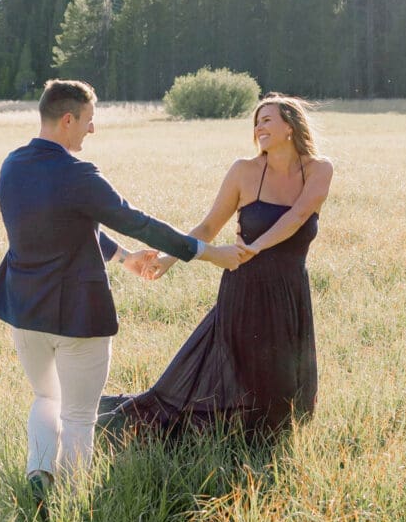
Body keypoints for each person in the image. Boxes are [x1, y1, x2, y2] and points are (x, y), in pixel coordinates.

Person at [0, 79, 244, 513]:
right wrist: (206, 251)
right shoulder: (79, 175)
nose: (92, 130)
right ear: (68, 120)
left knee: (46, 398)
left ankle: (39, 477)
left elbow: (67, 224)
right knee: (80, 416)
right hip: (78, 317)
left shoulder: (13, 165)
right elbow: (136, 221)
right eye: (88, 121)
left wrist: (123, 258)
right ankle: (68, 505)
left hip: (24, 310)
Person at [100, 93, 333, 437]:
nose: (259, 127)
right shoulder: (244, 171)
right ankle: (107, 421)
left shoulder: (319, 169)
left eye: (267, 119)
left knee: (279, 409)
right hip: (244, 289)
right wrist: (169, 258)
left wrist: (254, 245)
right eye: (256, 122)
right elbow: (209, 227)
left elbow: (299, 216)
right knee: (224, 384)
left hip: (289, 292)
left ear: (290, 126)